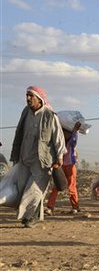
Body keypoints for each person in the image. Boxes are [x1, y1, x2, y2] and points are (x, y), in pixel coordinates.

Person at [10, 86, 67, 228]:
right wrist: (15, 155)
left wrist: (59, 157)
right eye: (27, 95)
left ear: (39, 98)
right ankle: (31, 215)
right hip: (24, 157)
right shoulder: (25, 112)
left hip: (42, 160)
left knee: (34, 189)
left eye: (31, 96)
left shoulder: (50, 115)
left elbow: (58, 138)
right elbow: (19, 132)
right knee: (23, 187)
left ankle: (32, 217)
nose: (28, 98)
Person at [46, 121, 82, 215]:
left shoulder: (71, 142)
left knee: (71, 187)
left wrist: (75, 130)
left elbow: (74, 139)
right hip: (60, 166)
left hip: (70, 166)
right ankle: (50, 207)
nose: (64, 134)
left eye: (66, 132)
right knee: (57, 186)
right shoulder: (59, 143)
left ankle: (75, 207)